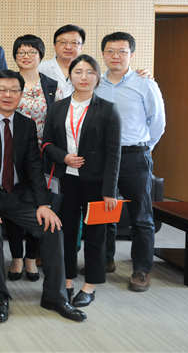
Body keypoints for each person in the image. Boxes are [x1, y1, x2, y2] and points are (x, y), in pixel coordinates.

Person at [0, 70, 86, 323]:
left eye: (14, 90)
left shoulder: (26, 124)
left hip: (17, 196)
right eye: (2, 90)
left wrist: (43, 204)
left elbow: (33, 167)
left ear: (21, 95)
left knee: (52, 226)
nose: (8, 95)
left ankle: (55, 296)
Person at [43, 54, 121, 307]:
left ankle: (90, 286)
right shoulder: (57, 108)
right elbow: (46, 143)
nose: (84, 77)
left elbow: (114, 153)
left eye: (90, 72)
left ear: (98, 77)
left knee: (96, 234)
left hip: (97, 183)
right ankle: (67, 280)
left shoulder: (108, 109)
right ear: (70, 76)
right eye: (78, 72)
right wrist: (63, 157)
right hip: (67, 180)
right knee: (65, 232)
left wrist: (110, 190)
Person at [95, 32, 165, 292]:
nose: (116, 56)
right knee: (105, 213)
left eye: (122, 51)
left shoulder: (145, 83)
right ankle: (105, 260)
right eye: (110, 51)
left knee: (142, 216)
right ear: (103, 54)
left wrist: (144, 148)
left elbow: (157, 122)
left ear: (131, 54)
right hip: (103, 158)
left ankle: (141, 270)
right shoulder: (95, 83)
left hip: (135, 156)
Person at [7, 35, 59, 282]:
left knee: (41, 204)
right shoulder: (8, 82)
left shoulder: (51, 85)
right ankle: (17, 257)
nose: (26, 56)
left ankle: (31, 257)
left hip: (43, 156)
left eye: (31, 52)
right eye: (21, 52)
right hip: (13, 155)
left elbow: (59, 119)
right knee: (15, 204)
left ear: (41, 56)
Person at [38, 24, 87, 100]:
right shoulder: (41, 69)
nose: (68, 47)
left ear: (81, 47)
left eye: (74, 43)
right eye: (63, 42)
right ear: (54, 45)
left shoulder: (90, 72)